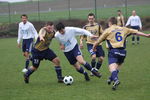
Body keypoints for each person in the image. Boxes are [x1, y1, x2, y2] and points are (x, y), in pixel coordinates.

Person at [93, 17, 150, 90]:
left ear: (109, 23)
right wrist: (146, 35)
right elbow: (135, 32)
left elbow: (98, 41)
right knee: (117, 67)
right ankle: (111, 78)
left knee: (111, 68)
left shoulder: (108, 30)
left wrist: (94, 47)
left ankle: (116, 79)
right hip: (123, 52)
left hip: (113, 51)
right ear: (116, 22)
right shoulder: (124, 29)